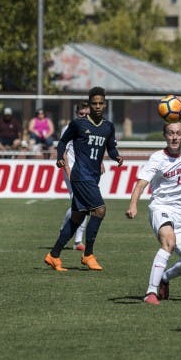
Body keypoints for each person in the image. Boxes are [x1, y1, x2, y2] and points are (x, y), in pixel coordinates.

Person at [125, 121, 181, 305]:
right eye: (171, 133)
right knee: (169, 242)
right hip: (161, 207)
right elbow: (141, 183)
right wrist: (133, 204)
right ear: (165, 136)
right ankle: (151, 292)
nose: (174, 137)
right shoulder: (157, 158)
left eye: (178, 133)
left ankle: (165, 277)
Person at [44, 87, 123, 272]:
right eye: (93, 103)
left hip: (93, 176)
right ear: (89, 105)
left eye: (100, 103)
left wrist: (116, 156)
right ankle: (88, 255)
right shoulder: (78, 124)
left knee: (77, 218)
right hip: (80, 176)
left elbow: (110, 148)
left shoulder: (108, 126)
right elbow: (62, 141)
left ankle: (53, 255)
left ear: (105, 104)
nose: (97, 106)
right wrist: (59, 157)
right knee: (100, 210)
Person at [59, 101, 91, 251]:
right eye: (81, 114)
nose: (84, 117)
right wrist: (68, 170)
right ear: (76, 114)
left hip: (86, 170)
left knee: (82, 205)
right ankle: (73, 239)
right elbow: (63, 152)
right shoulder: (69, 128)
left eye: (87, 114)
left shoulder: (91, 128)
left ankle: (73, 239)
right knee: (80, 203)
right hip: (71, 169)